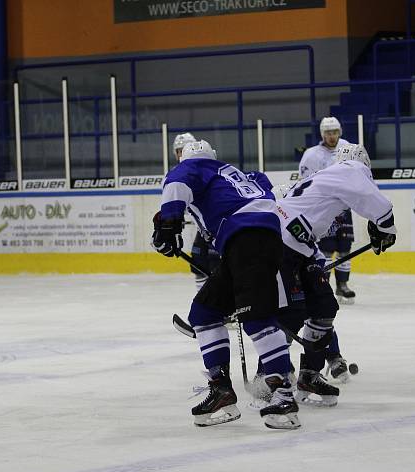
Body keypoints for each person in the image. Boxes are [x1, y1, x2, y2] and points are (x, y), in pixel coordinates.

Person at [152, 140, 301, 430]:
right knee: (204, 312)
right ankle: (221, 390)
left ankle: (284, 398)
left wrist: (169, 224)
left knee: (256, 318)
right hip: (248, 242)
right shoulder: (234, 174)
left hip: (248, 240)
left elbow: (176, 186)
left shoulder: (194, 167)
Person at [275, 143, 396, 397]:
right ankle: (270, 379)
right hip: (284, 247)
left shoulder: (327, 178)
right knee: (291, 314)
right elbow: (378, 204)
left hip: (298, 246)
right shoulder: (350, 168)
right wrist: (386, 228)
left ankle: (309, 375)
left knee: (324, 306)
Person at [299, 117, 358, 304]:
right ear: (322, 134)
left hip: (344, 207)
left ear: (339, 132)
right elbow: (306, 183)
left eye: (334, 132)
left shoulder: (347, 147)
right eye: (328, 133)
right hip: (324, 210)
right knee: (325, 250)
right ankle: (323, 285)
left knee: (344, 249)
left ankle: (343, 285)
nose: (332, 136)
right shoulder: (311, 155)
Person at [172, 132, 221, 290]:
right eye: (178, 151)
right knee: (198, 259)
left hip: (217, 225)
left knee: (216, 263)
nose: (180, 154)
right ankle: (204, 300)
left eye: (182, 150)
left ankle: (221, 304)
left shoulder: (208, 171)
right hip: (203, 228)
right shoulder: (177, 173)